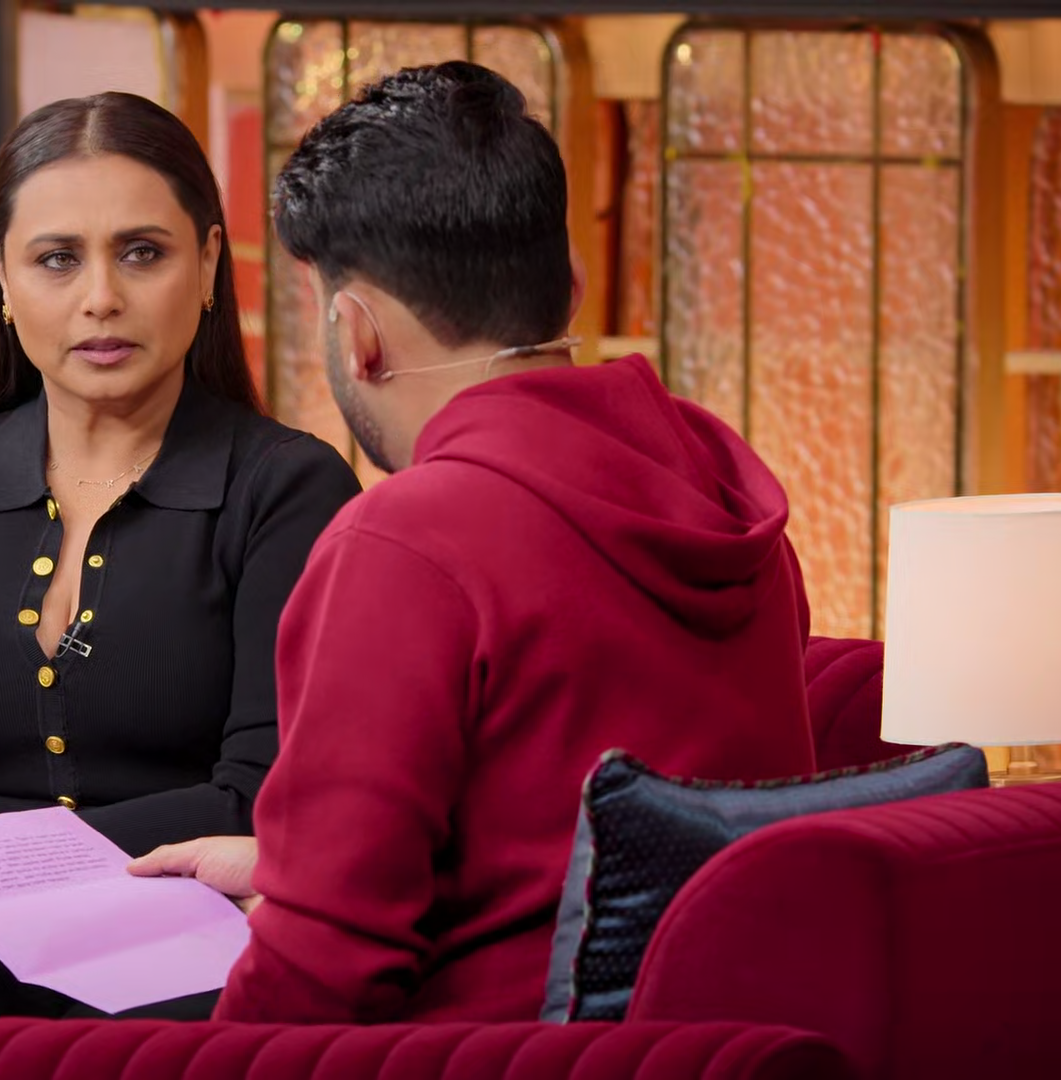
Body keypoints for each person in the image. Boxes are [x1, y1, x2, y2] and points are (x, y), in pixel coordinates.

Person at [130, 62, 816, 1024]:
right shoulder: (716, 483)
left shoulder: (406, 542)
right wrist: (290, 864)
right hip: (724, 1039)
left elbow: (322, 977)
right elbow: (567, 845)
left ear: (356, 333)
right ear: (570, 288)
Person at [0, 90, 362, 1018]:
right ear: (1, 277)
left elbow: (262, 793)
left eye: (143, 252)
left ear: (208, 263)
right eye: (57, 259)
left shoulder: (288, 489)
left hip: (185, 933)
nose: (101, 298)